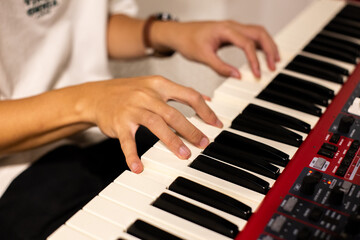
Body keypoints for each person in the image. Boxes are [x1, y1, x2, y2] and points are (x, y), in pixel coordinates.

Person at [0, 0, 279, 239]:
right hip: (15, 173)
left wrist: (168, 32)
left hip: (103, 130)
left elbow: (89, 25)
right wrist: (91, 100)